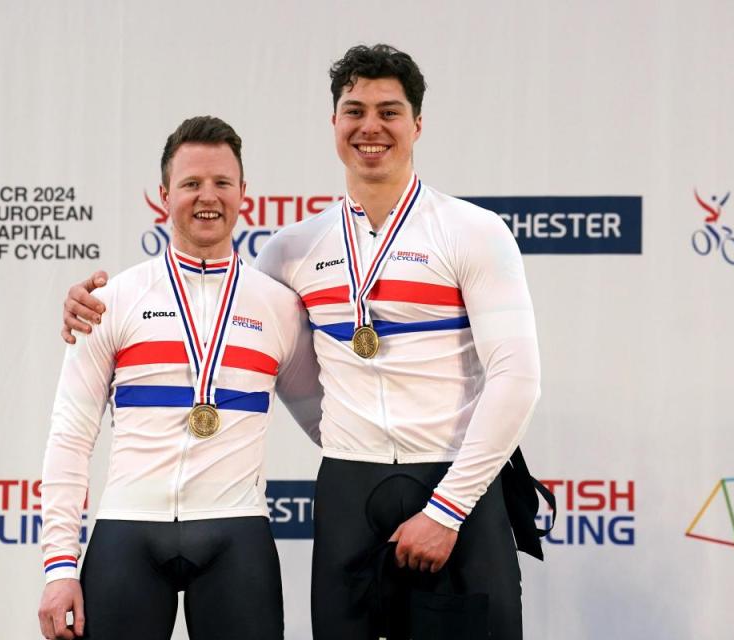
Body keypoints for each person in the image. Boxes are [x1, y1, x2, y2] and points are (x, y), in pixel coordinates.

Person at [62, 45, 541, 639]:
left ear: (418, 124)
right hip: (348, 489)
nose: (371, 127)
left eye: (389, 112)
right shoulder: (290, 251)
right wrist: (86, 309)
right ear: (335, 124)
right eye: (354, 110)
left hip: (455, 489)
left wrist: (447, 507)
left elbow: (518, 380)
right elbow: (223, 320)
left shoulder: (475, 231)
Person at [38, 116, 321, 640]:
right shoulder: (109, 302)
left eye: (221, 183)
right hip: (128, 530)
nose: (207, 196)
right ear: (165, 194)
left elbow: (334, 425)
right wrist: (59, 566)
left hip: (236, 532)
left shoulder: (280, 307)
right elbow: (70, 438)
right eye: (191, 183)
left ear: (244, 193)